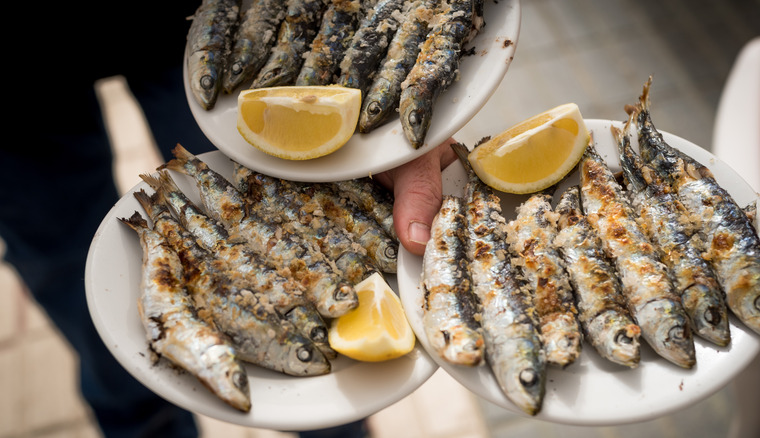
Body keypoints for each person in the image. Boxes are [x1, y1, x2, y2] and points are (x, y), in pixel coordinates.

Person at [1, 3, 455, 437]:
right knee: (77, 284)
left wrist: (402, 105)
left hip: (199, 26)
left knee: (266, 156)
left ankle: (334, 426)